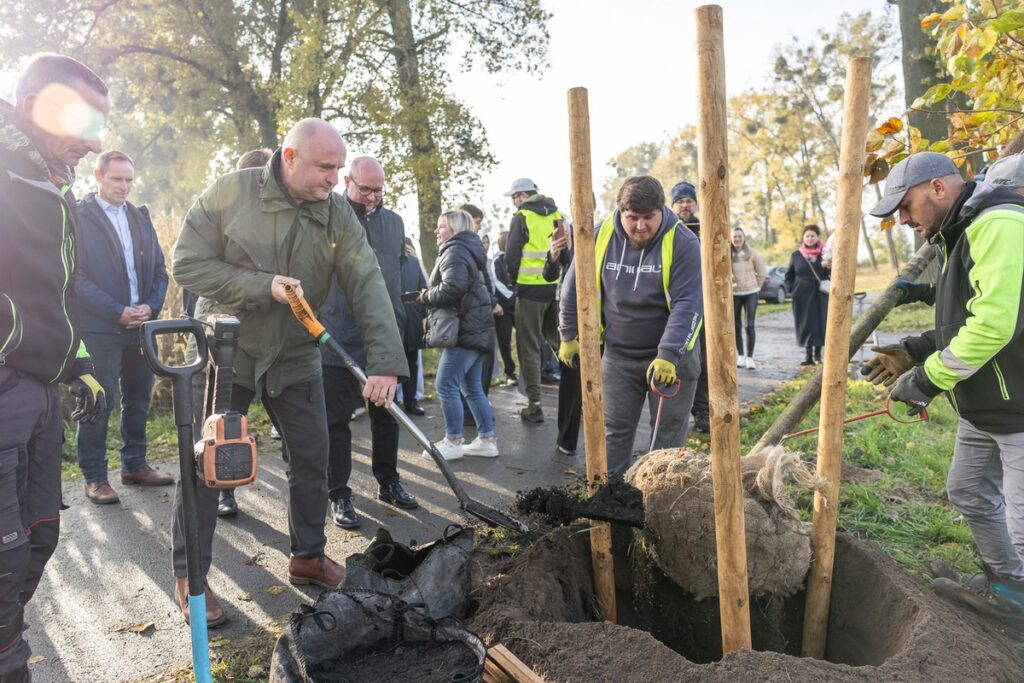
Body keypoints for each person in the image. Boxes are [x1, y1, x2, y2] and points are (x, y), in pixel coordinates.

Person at [172, 119, 407, 626]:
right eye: (326, 167)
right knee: (211, 461)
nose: (333, 178)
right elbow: (187, 265)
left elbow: (366, 279)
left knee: (313, 455)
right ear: (290, 156)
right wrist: (263, 285)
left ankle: (307, 555)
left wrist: (386, 362)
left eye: (339, 169)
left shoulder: (336, 212)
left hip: (298, 352)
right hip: (230, 348)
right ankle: (192, 576)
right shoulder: (230, 193)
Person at [864, 151, 1024, 619]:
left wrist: (927, 379)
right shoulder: (959, 232)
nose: (904, 219)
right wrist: (916, 347)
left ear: (938, 188)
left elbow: (994, 324)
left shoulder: (998, 224)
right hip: (986, 403)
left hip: (1019, 405)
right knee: (969, 491)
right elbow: (964, 313)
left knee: (1022, 524)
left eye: (907, 206)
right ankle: (1009, 587)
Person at [0, 53, 110, 682]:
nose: (96, 142)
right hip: (6, 385)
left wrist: (79, 361)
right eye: (84, 120)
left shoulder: (53, 182)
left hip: (39, 392)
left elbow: (56, 292)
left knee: (39, 539)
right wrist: (21, 343)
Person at [558, 176, 703, 477]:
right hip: (619, 355)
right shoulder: (599, 236)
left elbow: (688, 304)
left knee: (666, 436)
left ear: (661, 210)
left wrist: (669, 353)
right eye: (632, 218)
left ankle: (657, 506)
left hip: (670, 358)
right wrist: (567, 333)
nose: (640, 226)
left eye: (648, 218)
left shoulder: (683, 242)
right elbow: (573, 284)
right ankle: (610, 504)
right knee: (613, 431)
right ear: (620, 212)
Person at [320, 155, 418, 530]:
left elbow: (391, 276)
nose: (373, 197)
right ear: (347, 181)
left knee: (387, 415)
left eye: (379, 190)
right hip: (338, 333)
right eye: (365, 189)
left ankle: (388, 480)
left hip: (382, 334)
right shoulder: (330, 215)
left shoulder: (393, 222)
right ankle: (339, 492)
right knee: (336, 421)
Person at [75, 150, 171, 504]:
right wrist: (117, 311)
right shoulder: (80, 217)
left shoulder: (139, 217)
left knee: (139, 398)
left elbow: (161, 271)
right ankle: (95, 477)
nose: (125, 186)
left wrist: (152, 306)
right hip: (101, 328)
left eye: (130, 180)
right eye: (117, 179)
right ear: (98, 177)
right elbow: (76, 277)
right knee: (98, 400)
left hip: (142, 326)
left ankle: (134, 465)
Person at [215, 147, 276, 518]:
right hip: (236, 344)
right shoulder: (221, 223)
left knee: (295, 433)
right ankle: (225, 490)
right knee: (229, 421)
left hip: (280, 345)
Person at [421, 210, 498, 460]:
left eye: (441, 226)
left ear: (453, 229)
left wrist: (424, 296)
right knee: (472, 387)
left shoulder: (454, 251)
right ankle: (486, 440)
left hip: (465, 330)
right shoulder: (470, 250)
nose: (436, 231)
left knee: (445, 384)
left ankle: (453, 442)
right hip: (478, 329)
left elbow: (452, 288)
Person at [504, 178, 567, 423]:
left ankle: (535, 405)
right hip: (554, 289)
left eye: (513, 197)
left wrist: (513, 282)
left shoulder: (522, 217)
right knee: (561, 344)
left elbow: (512, 256)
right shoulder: (558, 214)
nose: (513, 202)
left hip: (529, 292)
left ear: (522, 195)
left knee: (528, 349)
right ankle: (582, 395)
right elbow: (566, 253)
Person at [670, 180, 709, 433]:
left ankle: (703, 410)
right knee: (673, 357)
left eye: (688, 201)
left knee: (701, 359)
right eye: (680, 201)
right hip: (671, 304)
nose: (685, 205)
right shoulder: (666, 229)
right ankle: (673, 413)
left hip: (702, 302)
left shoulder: (705, 227)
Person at [460, 203, 499, 398]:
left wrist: (492, 302)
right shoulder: (464, 246)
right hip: (472, 315)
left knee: (478, 371)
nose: (478, 227)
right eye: (476, 223)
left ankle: (476, 413)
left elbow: (484, 280)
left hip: (478, 312)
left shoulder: (471, 245)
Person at [784, 224, 830, 366]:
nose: (810, 238)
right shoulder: (796, 254)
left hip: (820, 294)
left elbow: (831, 274)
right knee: (805, 324)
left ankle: (818, 355)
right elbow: (788, 275)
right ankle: (808, 356)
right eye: (807, 236)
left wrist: (829, 267)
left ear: (818, 237)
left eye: (813, 236)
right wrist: (792, 290)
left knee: (821, 323)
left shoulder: (826, 254)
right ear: (804, 238)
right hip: (801, 295)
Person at [730, 227, 767, 370]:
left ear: (744, 237)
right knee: (736, 325)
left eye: (739, 236)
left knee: (749, 325)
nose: (737, 239)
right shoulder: (728, 254)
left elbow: (762, 273)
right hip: (735, 293)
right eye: (734, 236)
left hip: (751, 292)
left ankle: (750, 357)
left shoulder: (753, 254)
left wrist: (757, 288)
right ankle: (741, 356)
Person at [400, 236, 428, 415]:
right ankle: (392, 403)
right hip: (393, 319)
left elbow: (423, 287)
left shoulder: (414, 262)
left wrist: (420, 311)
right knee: (393, 361)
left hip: (412, 318)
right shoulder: (384, 262)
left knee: (412, 362)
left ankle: (411, 402)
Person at [492, 231, 518, 386]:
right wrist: (514, 297)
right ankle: (510, 373)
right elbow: (498, 283)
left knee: (525, 340)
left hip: (518, 306)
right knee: (504, 341)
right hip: (503, 308)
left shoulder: (517, 257)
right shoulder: (497, 260)